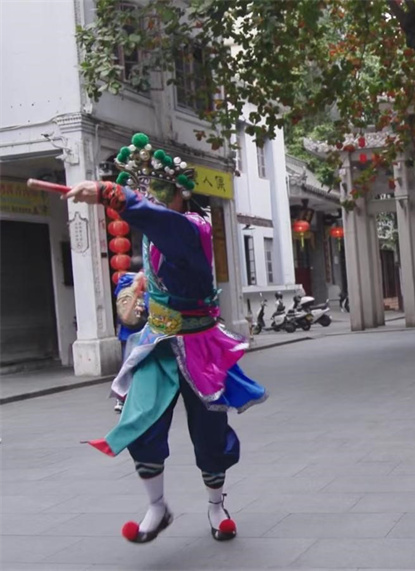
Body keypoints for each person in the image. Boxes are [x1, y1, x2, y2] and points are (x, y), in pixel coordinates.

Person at [65, 132, 267, 544]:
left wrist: (110, 192)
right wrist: (141, 284)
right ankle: (157, 506)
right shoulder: (155, 231)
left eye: (156, 190)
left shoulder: (193, 228)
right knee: (140, 423)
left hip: (199, 345)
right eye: (142, 191)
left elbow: (166, 230)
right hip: (157, 343)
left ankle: (216, 505)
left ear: (180, 194)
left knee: (209, 430)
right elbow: (161, 256)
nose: (150, 198)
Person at [112, 268, 148, 413]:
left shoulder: (124, 291)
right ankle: (123, 398)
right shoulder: (139, 294)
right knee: (132, 366)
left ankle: (122, 398)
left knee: (128, 366)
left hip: (127, 335)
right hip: (137, 336)